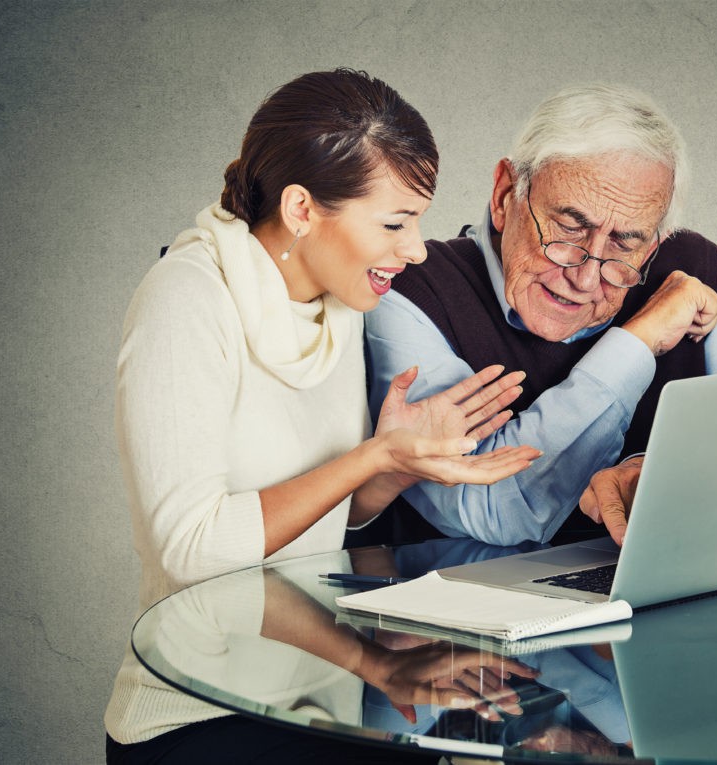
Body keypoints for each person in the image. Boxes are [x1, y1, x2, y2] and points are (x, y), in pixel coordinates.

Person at [104, 68, 540, 764]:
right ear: (303, 210)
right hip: (200, 716)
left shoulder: (335, 306)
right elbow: (191, 549)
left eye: (418, 220)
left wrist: (391, 465)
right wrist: (368, 456)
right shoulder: (186, 301)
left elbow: (330, 521)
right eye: (395, 222)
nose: (417, 248)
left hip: (322, 701)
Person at [365, 83, 717, 548]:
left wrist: (653, 475)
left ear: (655, 244)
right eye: (568, 227)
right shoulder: (407, 290)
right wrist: (635, 344)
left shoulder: (707, 275)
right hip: (469, 606)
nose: (585, 279)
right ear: (505, 195)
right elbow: (489, 509)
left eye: (625, 243)